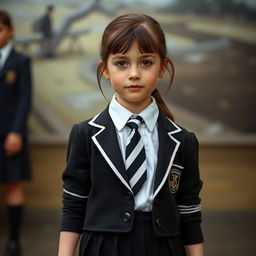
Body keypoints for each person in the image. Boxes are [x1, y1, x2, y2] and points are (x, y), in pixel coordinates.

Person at [58, 13, 204, 256]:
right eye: (121, 63)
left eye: (146, 62)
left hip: (163, 248)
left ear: (162, 67)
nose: (134, 73)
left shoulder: (183, 141)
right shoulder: (85, 134)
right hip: (101, 247)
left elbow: (189, 212)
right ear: (105, 69)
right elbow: (74, 205)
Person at [0, 10, 32, 256]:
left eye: (0, 29)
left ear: (10, 31)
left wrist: (16, 132)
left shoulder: (20, 61)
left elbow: (24, 98)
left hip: (9, 133)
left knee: (12, 184)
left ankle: (13, 239)